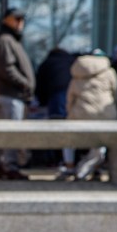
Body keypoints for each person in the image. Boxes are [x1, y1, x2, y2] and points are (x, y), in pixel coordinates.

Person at [0, 7, 36, 180]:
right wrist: (25, 82)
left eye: (22, 19)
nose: (20, 23)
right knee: (11, 131)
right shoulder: (4, 39)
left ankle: (8, 165)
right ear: (6, 20)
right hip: (9, 94)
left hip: (16, 95)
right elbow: (6, 68)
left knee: (14, 132)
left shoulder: (12, 40)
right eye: (16, 18)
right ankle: (8, 166)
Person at [67, 50, 117, 181]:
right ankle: (88, 169)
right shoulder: (109, 71)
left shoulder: (78, 72)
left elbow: (70, 97)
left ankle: (71, 167)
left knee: (68, 140)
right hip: (105, 114)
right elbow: (115, 93)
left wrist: (70, 112)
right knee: (100, 147)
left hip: (80, 114)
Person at [35, 47, 77, 180]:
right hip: (73, 99)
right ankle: (69, 162)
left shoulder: (47, 63)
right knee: (69, 132)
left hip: (55, 98)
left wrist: (41, 101)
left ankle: (57, 160)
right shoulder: (72, 61)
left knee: (57, 128)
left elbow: (40, 85)